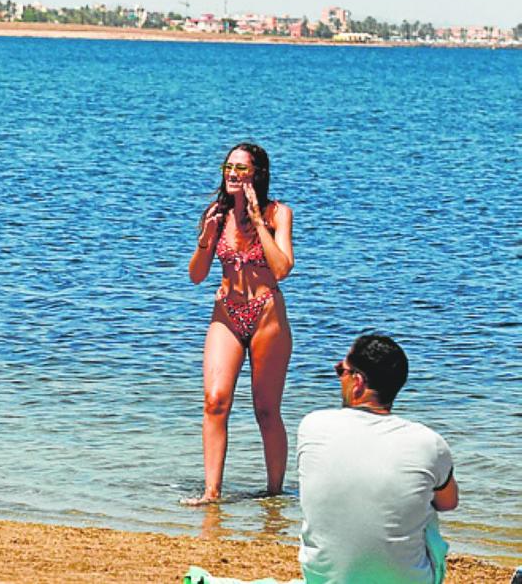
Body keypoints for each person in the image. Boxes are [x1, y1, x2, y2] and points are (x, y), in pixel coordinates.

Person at [298, 334, 458, 583]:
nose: (339, 378)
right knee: (425, 505)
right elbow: (448, 503)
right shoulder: (428, 442)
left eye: (341, 371)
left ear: (358, 382)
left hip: (323, 579)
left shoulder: (312, 425)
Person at [185, 142, 294, 505]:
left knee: (266, 409)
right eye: (228, 167)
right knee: (215, 400)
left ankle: (275, 495)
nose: (232, 174)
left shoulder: (279, 213)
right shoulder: (215, 213)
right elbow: (197, 276)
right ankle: (212, 492)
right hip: (227, 312)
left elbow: (282, 268)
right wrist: (205, 240)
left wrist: (257, 219)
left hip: (267, 313)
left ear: (257, 174)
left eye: (241, 169)